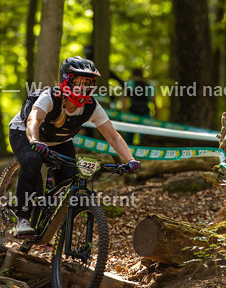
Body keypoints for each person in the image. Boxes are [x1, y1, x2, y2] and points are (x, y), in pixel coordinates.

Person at [7, 56, 140, 238]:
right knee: (32, 161)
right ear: (66, 80)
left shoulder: (91, 106)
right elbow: (34, 119)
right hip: (25, 132)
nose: (83, 87)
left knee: (70, 180)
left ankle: (46, 222)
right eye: (78, 81)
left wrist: (130, 159)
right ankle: (22, 218)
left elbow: (114, 137)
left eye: (88, 82)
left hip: (59, 141)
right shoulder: (50, 96)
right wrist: (35, 141)